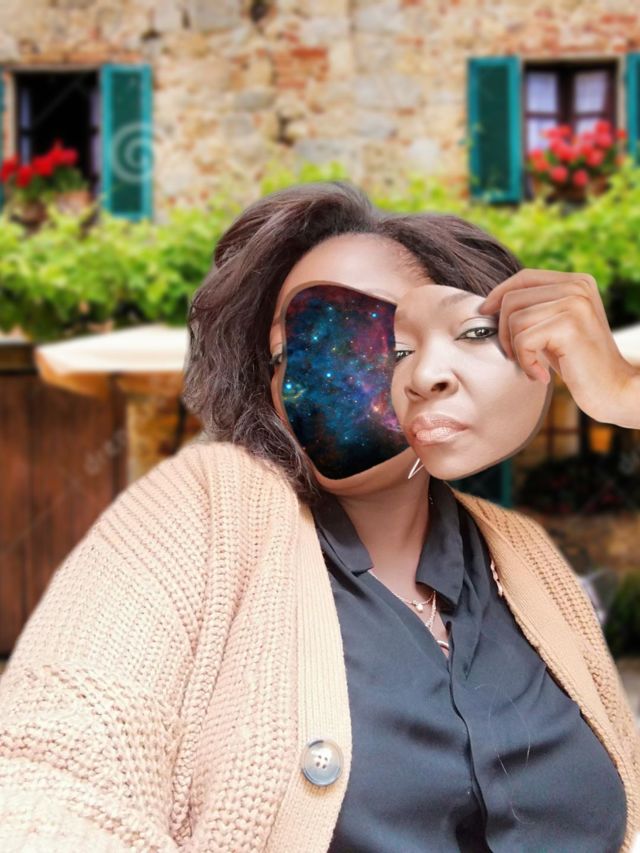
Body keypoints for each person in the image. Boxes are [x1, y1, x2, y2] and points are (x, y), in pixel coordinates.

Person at [0, 181, 638, 852]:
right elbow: (48, 776)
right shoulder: (207, 509)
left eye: (378, 336)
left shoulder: (523, 554)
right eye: (290, 352)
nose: (317, 376)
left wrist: (625, 395)